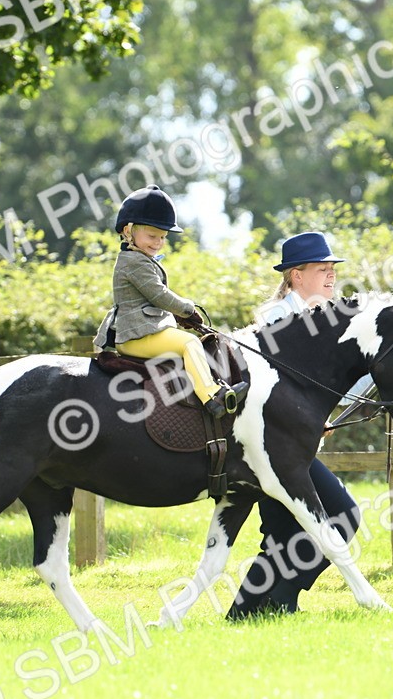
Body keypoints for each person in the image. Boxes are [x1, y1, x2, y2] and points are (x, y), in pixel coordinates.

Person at [227, 231, 371, 619]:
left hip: (293, 445)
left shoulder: (328, 320)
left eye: (332, 269)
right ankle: (281, 598)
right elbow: (277, 387)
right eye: (321, 269)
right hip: (270, 446)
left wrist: (379, 370)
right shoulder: (275, 320)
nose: (330, 276)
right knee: (342, 514)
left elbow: (333, 385)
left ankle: (247, 612)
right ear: (295, 276)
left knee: (279, 535)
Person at [93, 185, 247, 417]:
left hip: (146, 330)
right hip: (137, 335)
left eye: (163, 237)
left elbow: (151, 299)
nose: (158, 242)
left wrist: (179, 316)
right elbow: (159, 295)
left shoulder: (140, 259)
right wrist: (188, 309)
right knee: (189, 344)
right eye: (152, 236)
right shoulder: (134, 262)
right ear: (128, 231)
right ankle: (211, 396)